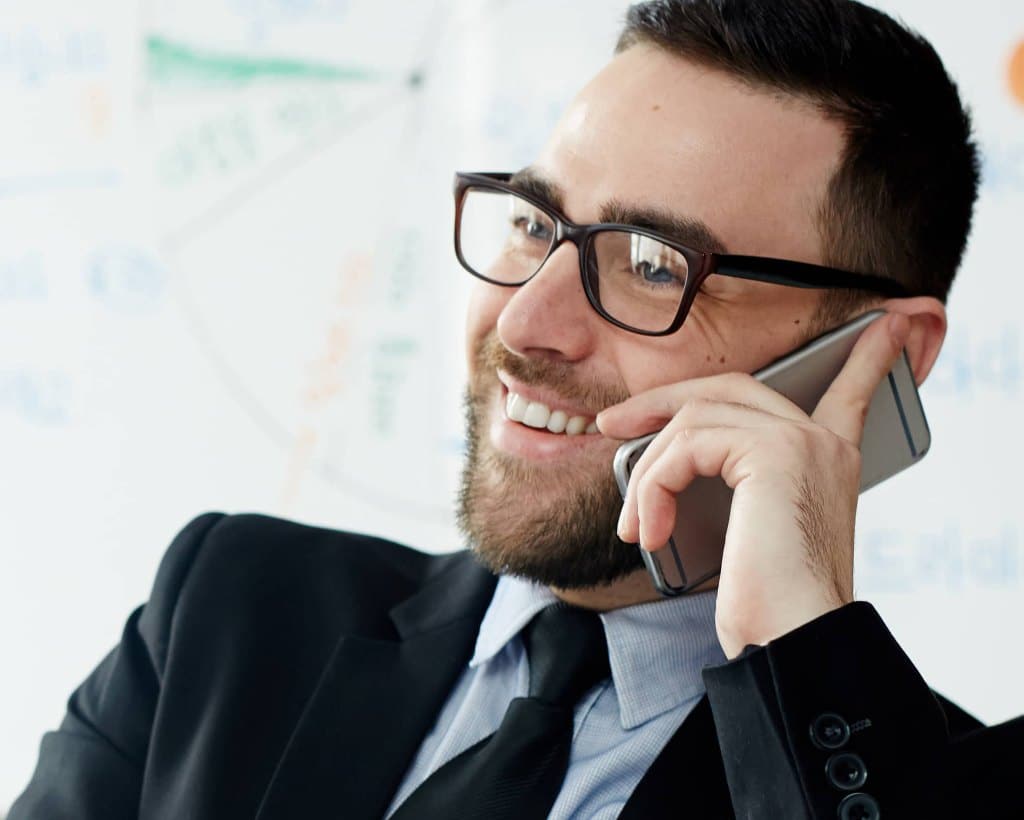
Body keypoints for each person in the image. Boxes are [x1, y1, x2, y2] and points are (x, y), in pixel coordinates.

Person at [11, 0, 1021, 818]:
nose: (529, 321)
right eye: (537, 222)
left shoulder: (917, 791)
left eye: (650, 265)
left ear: (877, 351)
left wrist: (803, 660)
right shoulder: (229, 613)